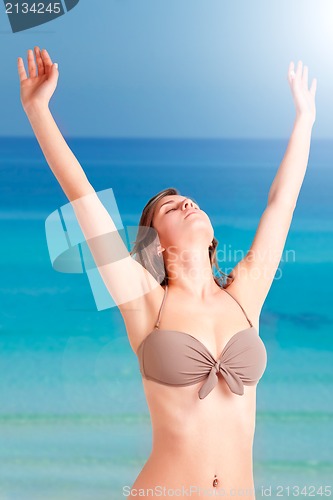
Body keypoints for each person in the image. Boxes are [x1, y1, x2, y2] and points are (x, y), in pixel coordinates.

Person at [17, 48, 317, 498]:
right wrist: (37, 109)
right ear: (154, 243)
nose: (186, 203)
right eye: (171, 208)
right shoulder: (147, 304)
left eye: (189, 201)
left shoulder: (243, 295)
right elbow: (83, 198)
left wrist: (306, 120)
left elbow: (282, 201)